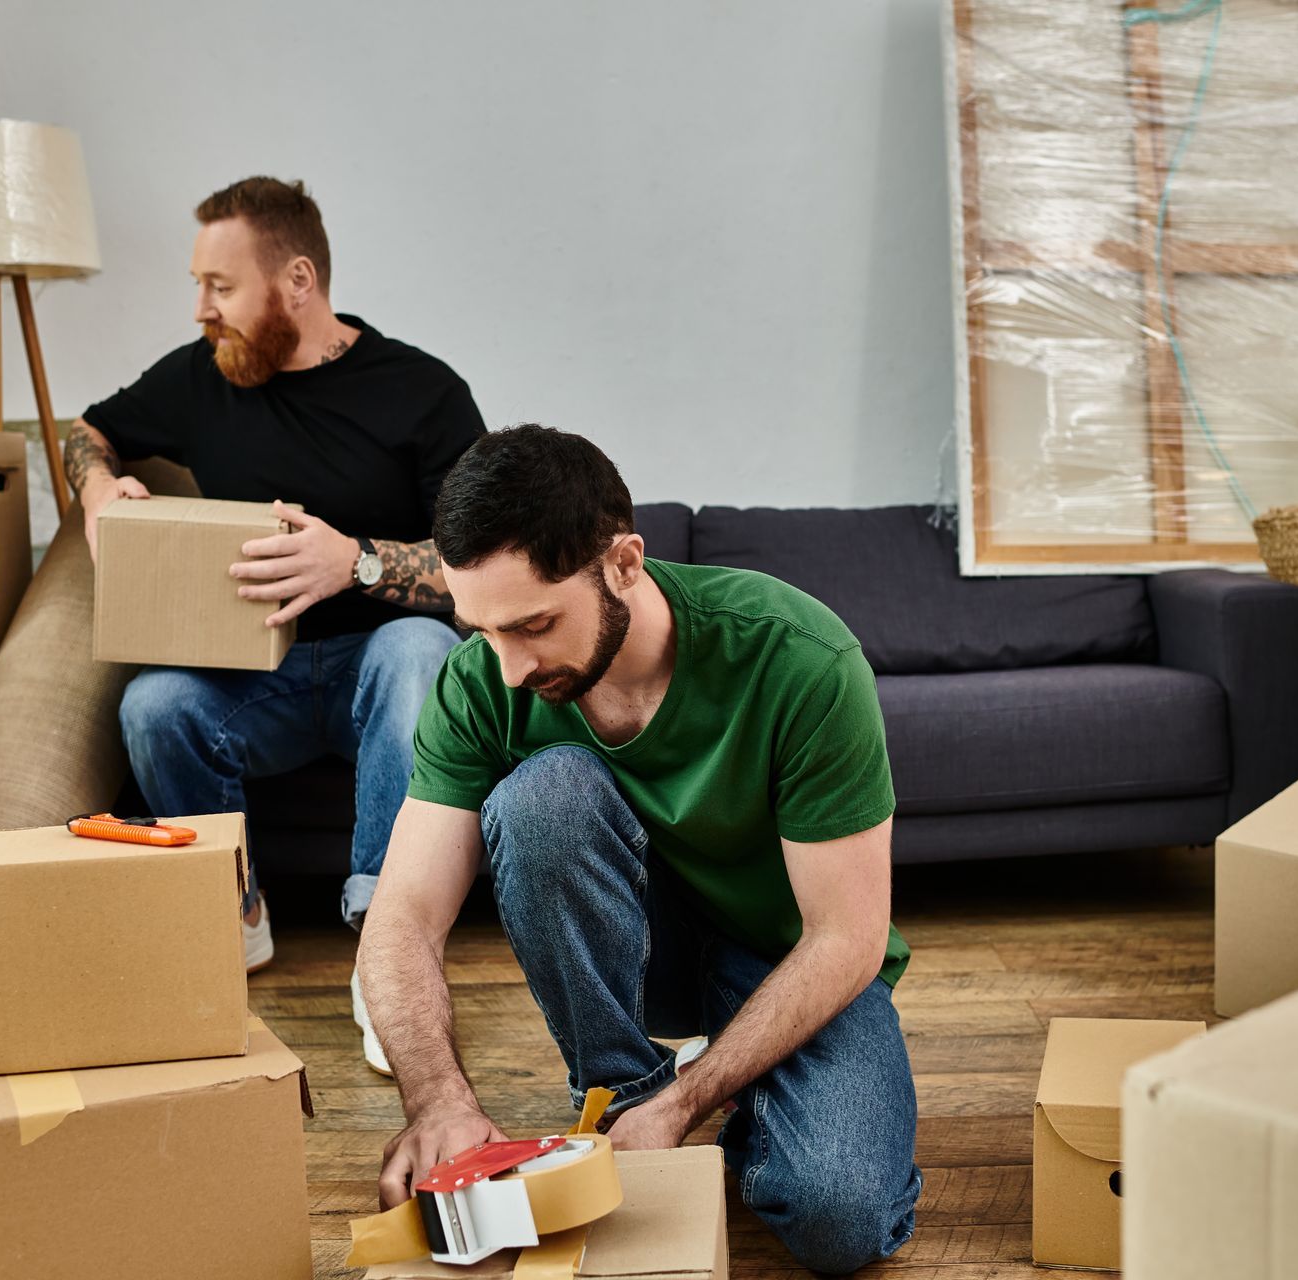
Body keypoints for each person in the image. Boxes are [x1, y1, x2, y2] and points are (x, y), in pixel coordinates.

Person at [356, 425, 921, 1273]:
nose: (508, 668)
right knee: (543, 797)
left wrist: (694, 1100)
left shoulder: (800, 658)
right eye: (481, 630)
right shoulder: (481, 682)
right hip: (633, 951)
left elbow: (846, 936)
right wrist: (437, 1101)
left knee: (838, 1221)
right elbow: (399, 918)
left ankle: (699, 1096)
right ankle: (627, 1096)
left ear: (624, 562)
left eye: (535, 625)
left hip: (787, 957)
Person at [64, 176, 483, 1073]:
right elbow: (85, 428)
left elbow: (482, 576)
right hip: (262, 680)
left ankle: (388, 954)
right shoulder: (199, 380)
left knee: (420, 651)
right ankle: (235, 908)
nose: (201, 309)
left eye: (221, 286)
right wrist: (98, 485)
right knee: (154, 704)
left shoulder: (422, 392)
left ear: (298, 281)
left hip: (383, 664)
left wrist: (356, 560)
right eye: (198, 284)